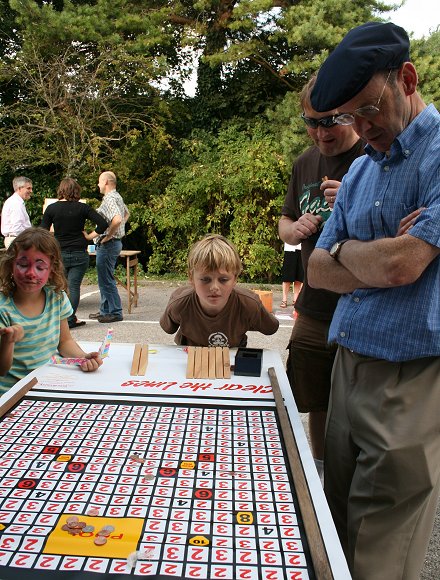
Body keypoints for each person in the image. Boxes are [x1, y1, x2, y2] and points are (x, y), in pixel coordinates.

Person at [307, 22, 440, 579]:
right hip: (348, 368)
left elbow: (401, 264)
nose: (360, 128)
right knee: (331, 534)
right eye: (347, 118)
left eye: (369, 110)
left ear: (406, 79)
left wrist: (348, 251)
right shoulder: (361, 170)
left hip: (409, 379)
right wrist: (373, 252)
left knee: (378, 557)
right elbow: (316, 271)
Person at [278, 75, 365, 480]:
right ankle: (320, 474)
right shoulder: (304, 163)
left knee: (360, 404)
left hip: (363, 305)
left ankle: (351, 480)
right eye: (311, 122)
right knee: (314, 398)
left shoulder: (375, 156)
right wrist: (292, 232)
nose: (320, 132)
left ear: (351, 113)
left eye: (330, 121)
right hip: (313, 306)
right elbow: (285, 220)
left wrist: (353, 196)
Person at [0, 227, 103, 393]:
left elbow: (64, 342)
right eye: (23, 264)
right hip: (10, 395)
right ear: (11, 265)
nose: (31, 273)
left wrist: (81, 357)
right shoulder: (3, 308)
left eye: (40, 267)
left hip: (46, 386)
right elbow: (2, 369)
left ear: (51, 269)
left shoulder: (57, 297)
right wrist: (8, 342)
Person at [160, 234, 279, 347]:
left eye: (223, 279)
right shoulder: (179, 304)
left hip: (231, 361)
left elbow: (271, 328)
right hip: (189, 359)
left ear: (235, 279)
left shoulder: (249, 304)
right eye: (205, 279)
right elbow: (167, 328)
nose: (214, 287)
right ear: (191, 278)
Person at [41, 178, 109, 329]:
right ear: (76, 191)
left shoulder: (52, 208)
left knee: (59, 286)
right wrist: (89, 236)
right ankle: (70, 319)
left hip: (59, 253)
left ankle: (57, 319)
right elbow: (103, 224)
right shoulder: (82, 208)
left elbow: (42, 231)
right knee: (74, 287)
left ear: (61, 190)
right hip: (79, 252)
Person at [84, 171, 129, 324]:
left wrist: (109, 235)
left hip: (109, 244)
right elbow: (126, 214)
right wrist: (117, 230)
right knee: (105, 277)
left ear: (106, 182)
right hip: (114, 243)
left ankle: (115, 312)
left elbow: (117, 219)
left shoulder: (110, 198)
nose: (97, 185)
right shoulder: (117, 196)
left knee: (106, 279)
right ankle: (105, 310)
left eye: (99, 181)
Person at [1, 176, 33, 248]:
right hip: (18, 240)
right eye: (28, 188)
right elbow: (17, 228)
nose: (31, 191)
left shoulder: (15, 202)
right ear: (19, 189)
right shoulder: (16, 203)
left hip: (16, 239)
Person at [280, 242, 303, 309]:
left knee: (299, 276)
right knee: (287, 276)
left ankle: (295, 300)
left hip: (302, 248)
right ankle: (284, 300)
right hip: (290, 248)